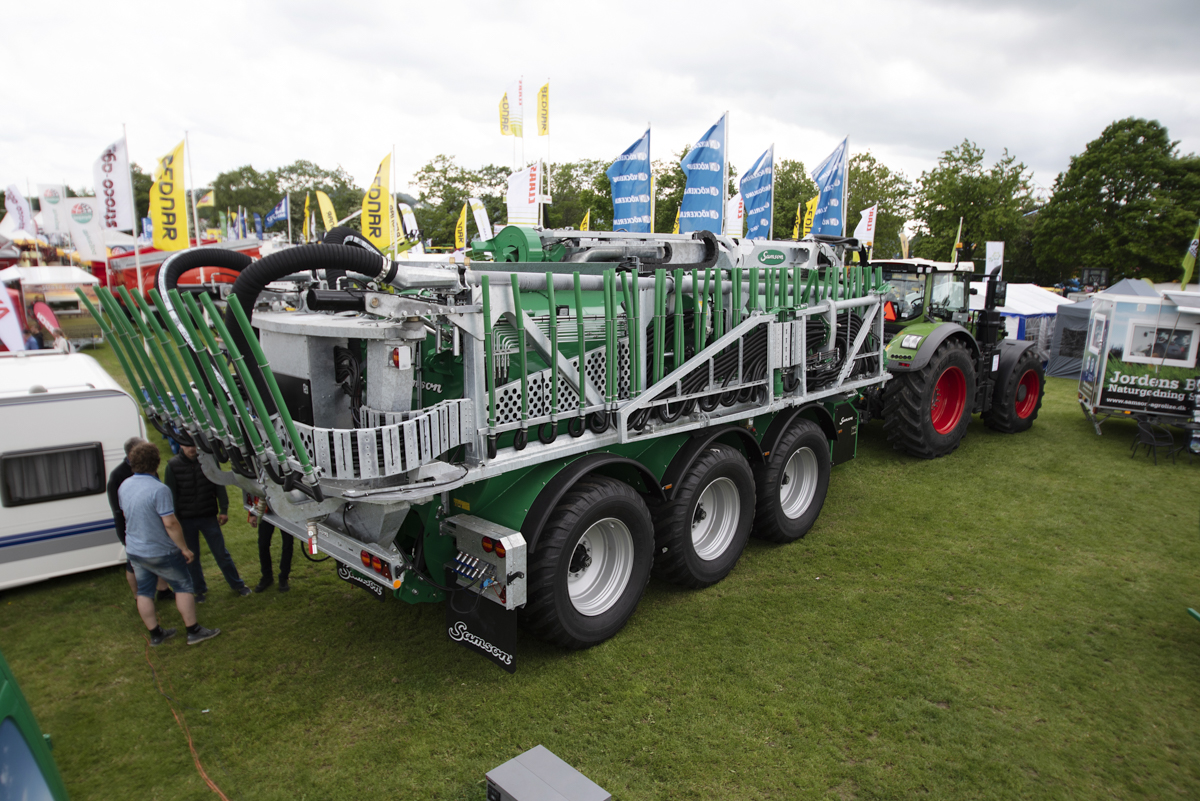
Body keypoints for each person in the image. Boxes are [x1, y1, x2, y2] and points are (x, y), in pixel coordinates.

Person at [119, 442, 220, 646]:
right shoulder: (159, 489)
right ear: (156, 463)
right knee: (183, 586)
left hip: (135, 550)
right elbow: (171, 523)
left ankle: (156, 634)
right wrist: (184, 548)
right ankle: (193, 630)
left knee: (144, 591)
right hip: (160, 551)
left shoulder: (125, 485)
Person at [165, 444, 251, 602]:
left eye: (193, 444)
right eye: (187, 445)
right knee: (192, 557)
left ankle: (237, 584)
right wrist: (175, 520)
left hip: (208, 516)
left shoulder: (209, 461)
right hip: (186, 520)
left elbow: (219, 484)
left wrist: (223, 509)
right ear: (181, 445)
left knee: (221, 553)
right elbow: (171, 495)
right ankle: (198, 590)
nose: (191, 448)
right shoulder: (172, 466)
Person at [107, 436, 172, 599]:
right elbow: (118, 509)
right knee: (133, 565)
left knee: (160, 555)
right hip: (132, 527)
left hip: (152, 522)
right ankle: (139, 597)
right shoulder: (118, 475)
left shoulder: (148, 468)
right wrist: (125, 533)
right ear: (131, 453)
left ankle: (163, 589)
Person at [252, 498, 292, 593]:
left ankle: (284, 577)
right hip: (267, 509)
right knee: (263, 543)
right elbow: (256, 491)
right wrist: (253, 513)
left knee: (287, 544)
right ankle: (267, 576)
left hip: (285, 509)